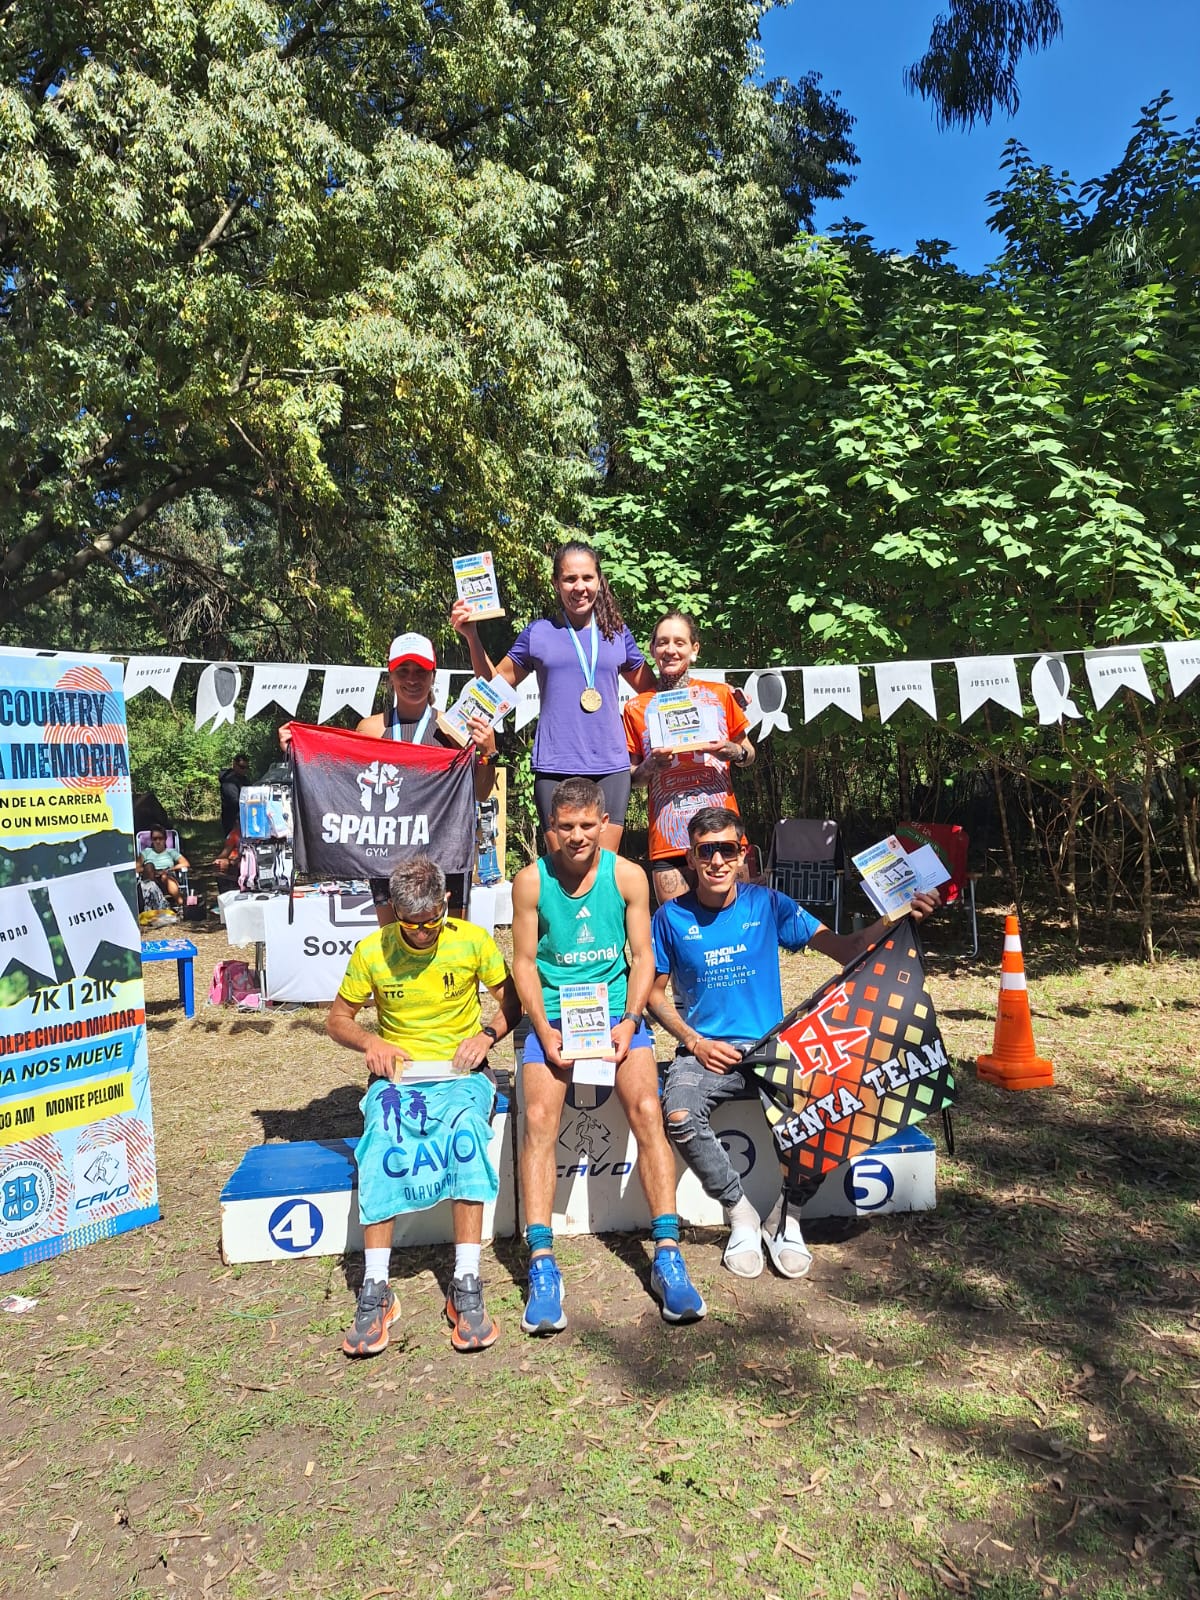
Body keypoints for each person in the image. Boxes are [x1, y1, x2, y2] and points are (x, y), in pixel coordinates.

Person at [648, 807, 940, 1281]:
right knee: (679, 1115)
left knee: (838, 1103)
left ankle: (787, 1216)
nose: (718, 861)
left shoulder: (769, 904)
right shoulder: (669, 917)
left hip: (773, 1046)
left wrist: (897, 915)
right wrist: (694, 1042)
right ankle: (741, 1214)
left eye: (728, 850)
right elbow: (653, 995)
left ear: (744, 854)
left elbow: (846, 949)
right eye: (707, 850)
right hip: (706, 1052)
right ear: (691, 857)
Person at [510, 776, 706, 1333]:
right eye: (565, 827)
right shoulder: (531, 881)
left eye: (586, 825)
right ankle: (542, 1262)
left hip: (616, 1015)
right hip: (554, 1017)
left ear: (604, 824)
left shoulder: (627, 875)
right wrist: (542, 1028)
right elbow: (524, 963)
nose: (576, 836)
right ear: (550, 829)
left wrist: (631, 1020)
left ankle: (667, 1253)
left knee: (647, 1110)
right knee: (539, 1120)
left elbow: (643, 957)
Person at [326, 856, 522, 1357]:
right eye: (409, 924)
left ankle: (466, 1281)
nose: (420, 934)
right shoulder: (373, 950)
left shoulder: (472, 941)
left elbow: (512, 1003)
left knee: (465, 1133)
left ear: (446, 904)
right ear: (393, 911)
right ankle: (376, 1287)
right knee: (380, 1142)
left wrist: (486, 1035)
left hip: (462, 1074)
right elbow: (337, 1020)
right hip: (400, 1077)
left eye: (431, 922)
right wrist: (370, 1042)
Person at [452, 540, 656, 853]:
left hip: (610, 768)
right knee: (563, 869)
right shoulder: (538, 633)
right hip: (554, 766)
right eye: (570, 579)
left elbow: (653, 693)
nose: (580, 587)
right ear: (555, 584)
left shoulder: (617, 633)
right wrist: (472, 637)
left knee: (603, 870)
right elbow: (493, 686)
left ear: (599, 581)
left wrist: (639, 744)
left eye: (587, 578)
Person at [343, 632, 496, 927]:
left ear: (433, 675)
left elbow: (480, 793)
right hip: (388, 851)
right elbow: (345, 786)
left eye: (421, 671)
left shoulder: (454, 728)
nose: (412, 679)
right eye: (403, 671)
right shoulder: (370, 729)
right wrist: (296, 750)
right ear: (390, 676)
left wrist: (488, 754)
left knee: (450, 942)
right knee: (394, 941)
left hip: (445, 850)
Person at [624, 610, 754, 904]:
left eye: (679, 642)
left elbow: (748, 754)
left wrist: (731, 750)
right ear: (652, 650)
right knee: (679, 926)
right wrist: (651, 764)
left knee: (736, 922)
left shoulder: (719, 695)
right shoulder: (636, 707)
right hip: (669, 841)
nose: (670, 650)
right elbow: (633, 779)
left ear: (694, 650)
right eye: (662, 642)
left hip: (723, 835)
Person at [138, 826, 189, 907]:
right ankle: (153, 903)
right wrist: (153, 872)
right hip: (151, 878)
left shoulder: (171, 852)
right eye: (155, 839)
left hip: (167, 874)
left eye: (160, 838)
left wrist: (170, 869)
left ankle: (182, 904)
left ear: (165, 839)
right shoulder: (146, 852)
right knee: (149, 865)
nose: (158, 841)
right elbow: (136, 868)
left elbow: (185, 863)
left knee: (165, 877)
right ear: (151, 840)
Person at [219, 753, 250, 833]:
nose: (245, 770)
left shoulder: (244, 779)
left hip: (243, 818)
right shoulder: (229, 781)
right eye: (242, 767)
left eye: (246, 767)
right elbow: (233, 802)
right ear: (234, 765)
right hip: (232, 820)